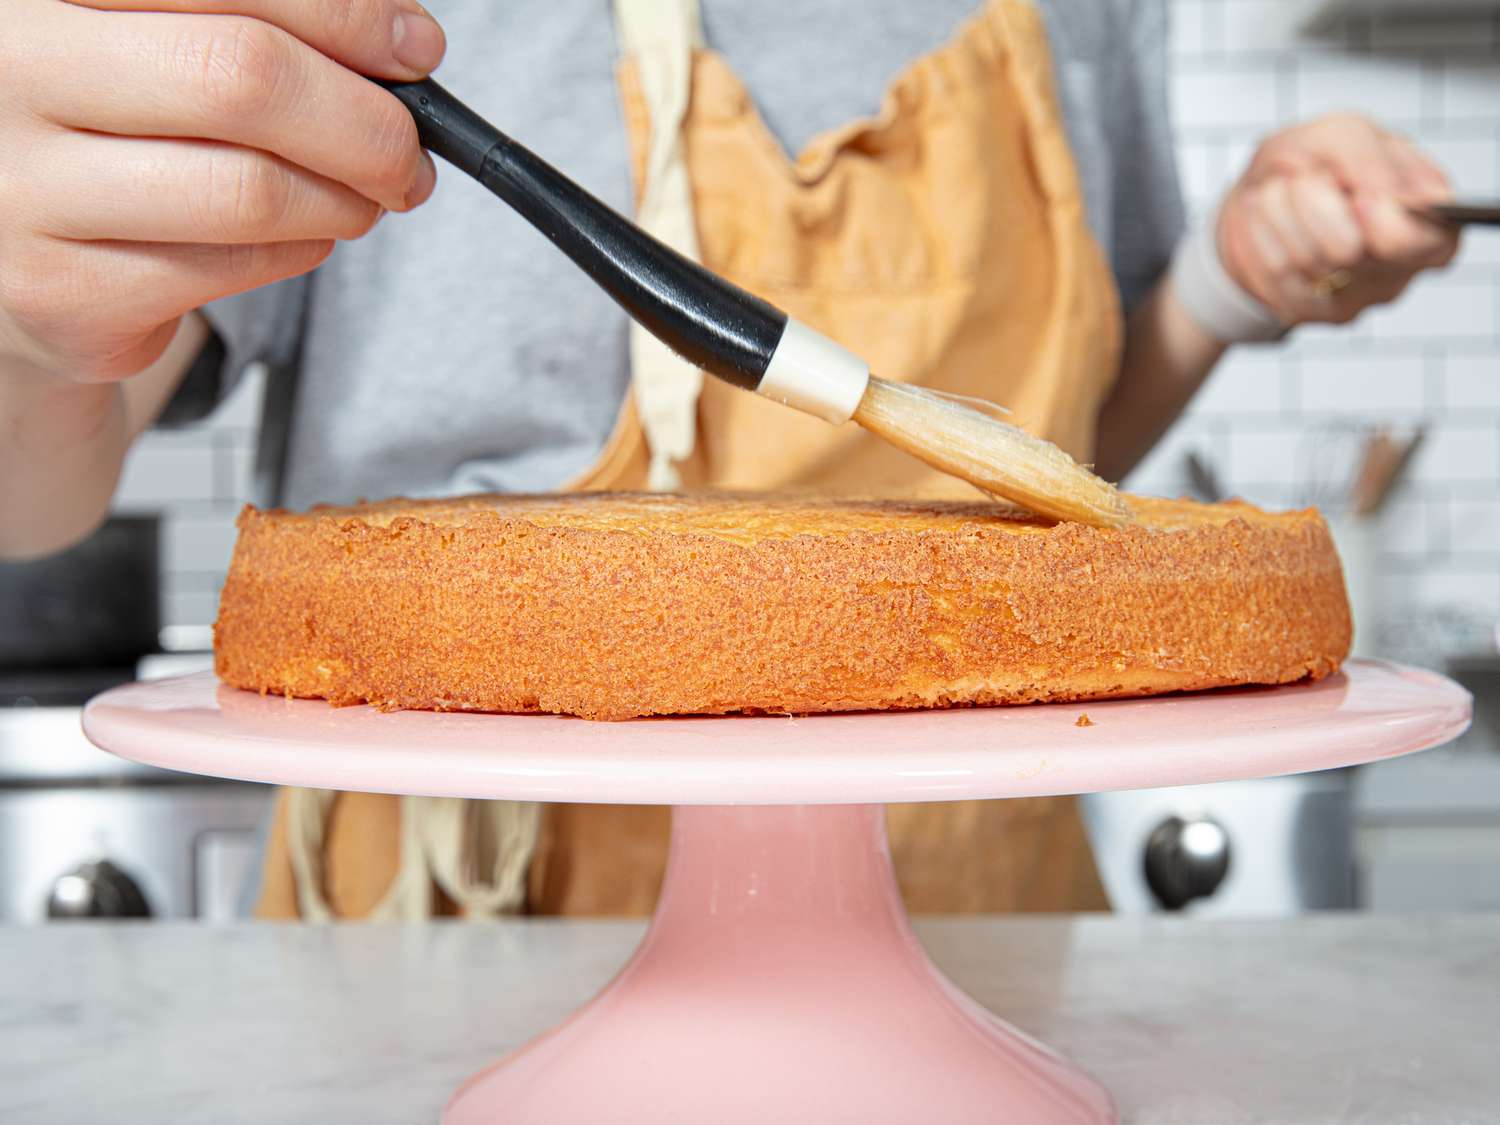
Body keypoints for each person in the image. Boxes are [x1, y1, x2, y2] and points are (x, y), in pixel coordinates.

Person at [1, 0, 1459, 919]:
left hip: (976, 915)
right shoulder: (335, 24)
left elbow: (1059, 502)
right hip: (448, 948)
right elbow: (40, 487)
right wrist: (23, 317)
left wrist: (1222, 278)